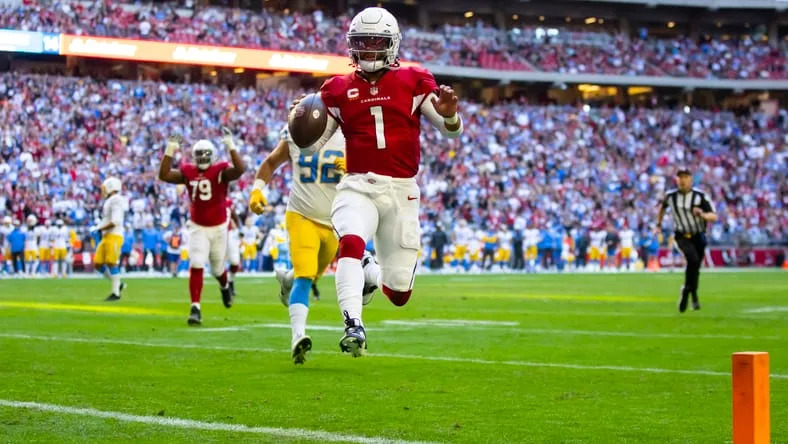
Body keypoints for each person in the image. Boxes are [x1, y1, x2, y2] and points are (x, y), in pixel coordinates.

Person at [297, 6, 463, 357]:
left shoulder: (414, 79)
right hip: (358, 186)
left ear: (392, 45)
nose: (369, 51)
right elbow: (311, 144)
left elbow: (449, 131)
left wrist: (451, 116)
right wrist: (298, 123)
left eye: (376, 43)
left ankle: (371, 276)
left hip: (402, 191)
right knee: (351, 243)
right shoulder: (338, 88)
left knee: (400, 293)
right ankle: (353, 324)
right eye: (362, 43)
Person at [248, 125, 377, 364]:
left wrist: (355, 171)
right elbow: (270, 162)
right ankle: (298, 336)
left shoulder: (351, 134)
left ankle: (288, 280)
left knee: (311, 275)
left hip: (334, 221)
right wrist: (256, 191)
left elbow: (374, 178)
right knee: (306, 275)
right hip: (301, 215)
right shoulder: (297, 129)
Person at [158, 128, 246, 325]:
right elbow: (164, 175)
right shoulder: (188, 171)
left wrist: (231, 145)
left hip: (219, 227)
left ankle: (225, 286)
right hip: (198, 226)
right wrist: (170, 149)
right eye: (199, 154)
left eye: (206, 154)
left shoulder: (220, 171)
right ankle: (195, 308)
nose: (203, 157)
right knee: (196, 263)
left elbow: (240, 169)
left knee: (217, 269)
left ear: (213, 156)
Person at [656, 167, 717, 312]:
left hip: (698, 235)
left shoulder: (700, 196)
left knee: (695, 267)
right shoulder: (671, 196)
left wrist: (702, 214)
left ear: (691, 179)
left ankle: (691, 292)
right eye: (680, 177)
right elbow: (662, 208)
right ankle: (687, 293)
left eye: (685, 177)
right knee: (693, 260)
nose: (682, 180)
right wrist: (658, 224)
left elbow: (714, 216)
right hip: (682, 235)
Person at [90, 177, 128, 301]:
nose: (102, 190)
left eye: (105, 188)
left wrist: (99, 228)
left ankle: (116, 293)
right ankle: (119, 284)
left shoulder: (116, 199)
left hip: (114, 235)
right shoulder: (110, 200)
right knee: (98, 263)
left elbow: (115, 221)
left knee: (111, 262)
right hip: (107, 235)